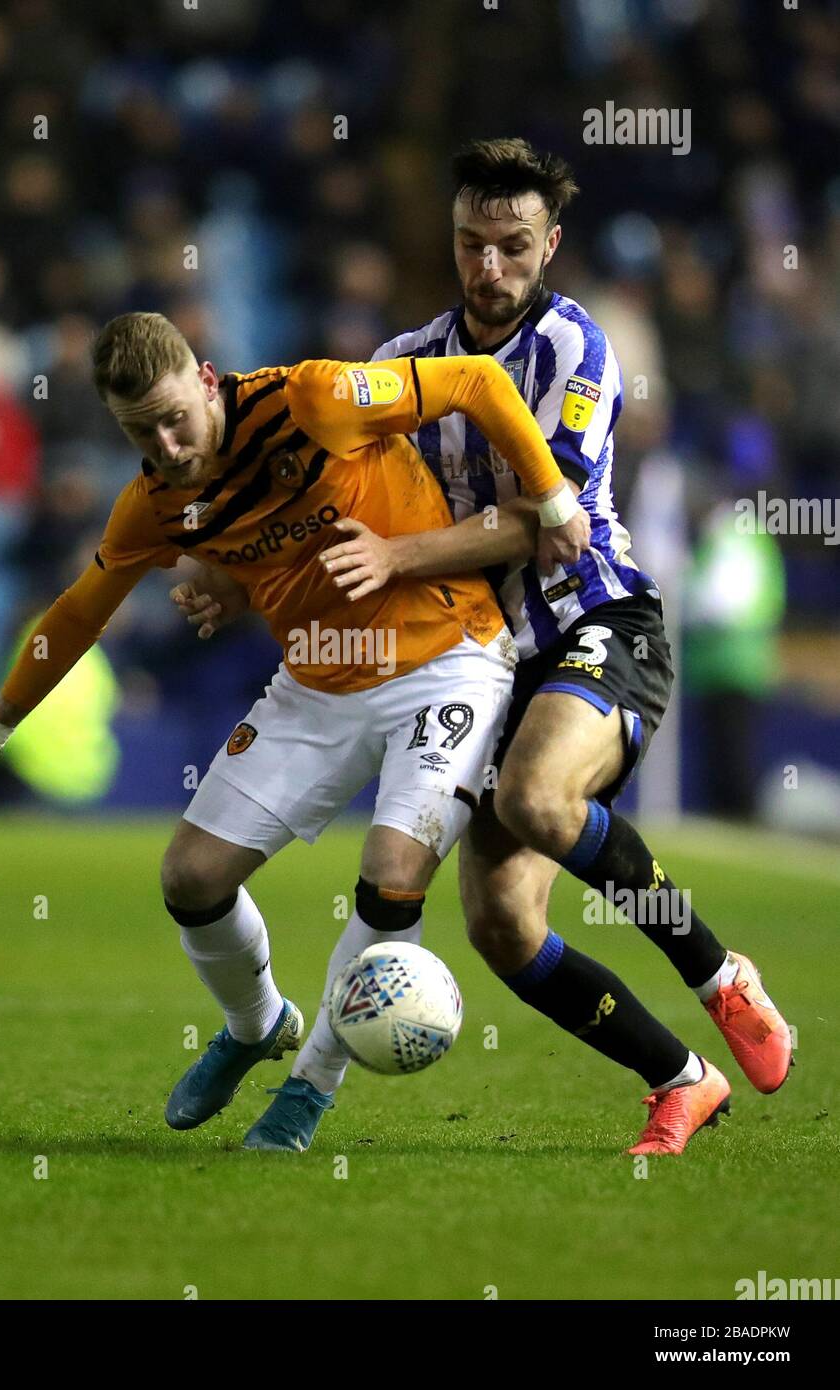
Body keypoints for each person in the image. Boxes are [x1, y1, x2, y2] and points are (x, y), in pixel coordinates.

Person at [179, 140, 792, 1157]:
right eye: (473, 244)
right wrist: (234, 576)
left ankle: (721, 976)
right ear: (453, 241)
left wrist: (404, 552)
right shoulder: (401, 364)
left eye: (513, 245)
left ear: (549, 243)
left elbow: (548, 524)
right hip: (484, 659)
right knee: (502, 929)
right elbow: (320, 501)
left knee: (537, 799)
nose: (491, 267)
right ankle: (682, 1080)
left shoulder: (577, 352)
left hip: (598, 624)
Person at [0, 309, 589, 1148]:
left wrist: (554, 496)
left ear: (206, 379)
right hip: (314, 682)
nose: (165, 444)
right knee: (190, 878)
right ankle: (255, 1025)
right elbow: (80, 612)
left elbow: (477, 382)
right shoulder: (157, 502)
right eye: (140, 432)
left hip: (447, 658)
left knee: (391, 871)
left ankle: (311, 1085)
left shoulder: (314, 399)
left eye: (174, 418)